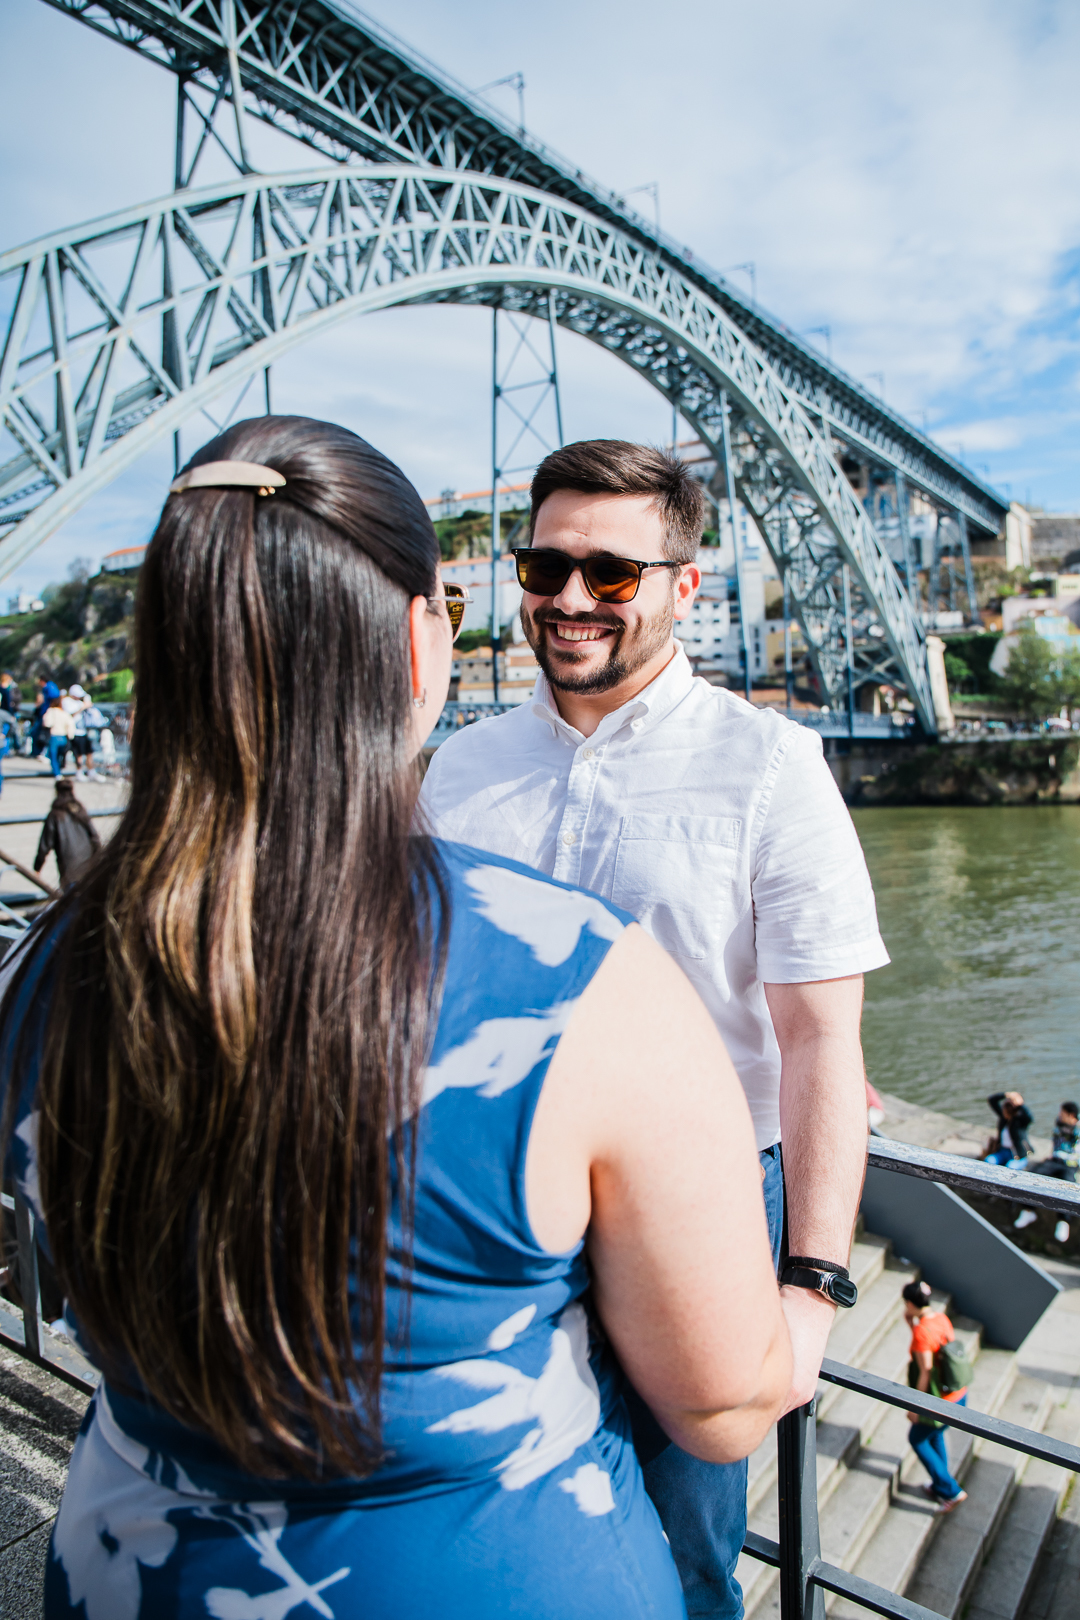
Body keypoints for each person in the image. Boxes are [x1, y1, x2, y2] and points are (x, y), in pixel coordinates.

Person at [0, 417, 791, 1620]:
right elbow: (723, 1402)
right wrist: (812, 1297)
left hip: (133, 1577)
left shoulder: (46, 967)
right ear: (422, 639)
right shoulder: (580, 976)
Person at [419, 439, 888, 1617]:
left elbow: (824, 1045)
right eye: (545, 566)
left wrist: (814, 1290)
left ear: (686, 584)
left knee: (687, 1543)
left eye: (613, 575)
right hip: (488, 1200)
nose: (571, 598)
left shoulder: (771, 769)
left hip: (714, 1205)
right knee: (489, 1512)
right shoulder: (451, 775)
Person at [902, 1280, 969, 1512]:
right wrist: (912, 1323)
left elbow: (926, 1371)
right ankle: (941, 1485)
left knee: (917, 1439)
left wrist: (915, 1408)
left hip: (939, 1402)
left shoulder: (922, 1331)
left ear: (910, 1303)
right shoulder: (941, 1318)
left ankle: (951, 1491)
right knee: (934, 1433)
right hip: (958, 1394)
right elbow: (936, 1349)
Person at [1014, 1100, 1079, 1244]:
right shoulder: (1059, 1125)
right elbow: (1056, 1144)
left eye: (1062, 1113)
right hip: (1054, 1160)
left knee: (1068, 1184)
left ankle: (1063, 1221)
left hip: (1070, 1164)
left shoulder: (1077, 1130)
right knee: (1033, 1175)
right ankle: (1028, 1211)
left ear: (1071, 1115)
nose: (1059, 1115)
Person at [33, 780, 101, 887]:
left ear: (57, 793)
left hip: (70, 871)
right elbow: (95, 838)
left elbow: (44, 845)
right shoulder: (80, 811)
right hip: (88, 866)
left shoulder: (55, 815)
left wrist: (37, 868)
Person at [65, 685, 107, 781]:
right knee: (78, 754)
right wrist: (83, 707)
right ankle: (79, 772)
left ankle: (91, 771)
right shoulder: (67, 702)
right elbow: (70, 715)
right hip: (75, 732)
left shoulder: (81, 703)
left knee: (89, 752)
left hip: (85, 731)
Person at [984, 1090, 1033, 1167]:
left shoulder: (1020, 1121)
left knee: (1010, 1167)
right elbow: (992, 1100)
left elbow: (1029, 1118)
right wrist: (1006, 1094)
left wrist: (1020, 1104)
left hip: (1017, 1154)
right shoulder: (1003, 1118)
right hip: (1002, 1151)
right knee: (989, 1161)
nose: (1004, 1111)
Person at [41, 695, 75, 779]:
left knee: (53, 756)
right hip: (63, 737)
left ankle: (57, 773)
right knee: (60, 756)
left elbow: (47, 723)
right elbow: (70, 725)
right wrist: (70, 736)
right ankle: (59, 771)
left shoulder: (51, 711)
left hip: (54, 736)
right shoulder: (65, 713)